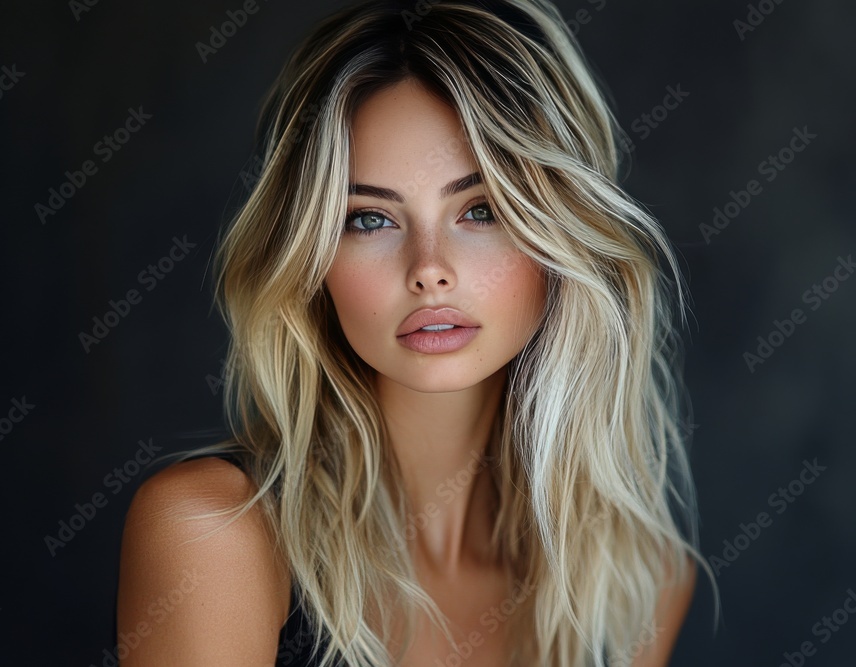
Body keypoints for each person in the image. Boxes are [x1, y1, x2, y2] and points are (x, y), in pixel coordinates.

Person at [116, 0, 719, 664]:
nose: (429, 269)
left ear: (563, 238)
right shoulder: (213, 532)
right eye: (370, 219)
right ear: (312, 261)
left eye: (482, 209)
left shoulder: (637, 586)